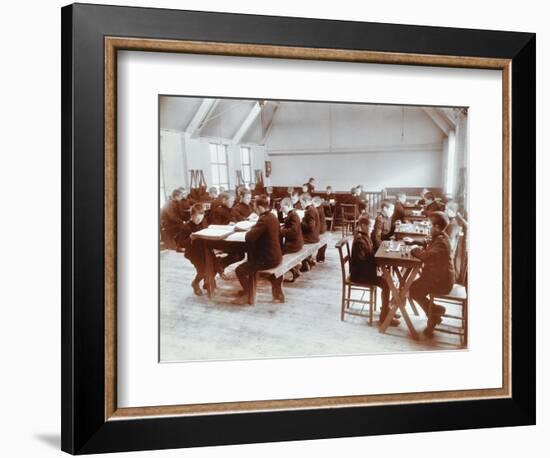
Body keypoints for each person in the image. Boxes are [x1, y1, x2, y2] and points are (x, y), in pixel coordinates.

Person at [408, 211, 455, 337]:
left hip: (441, 282)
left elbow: (427, 256)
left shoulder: (441, 242)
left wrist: (414, 250)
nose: (428, 228)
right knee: (413, 287)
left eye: (429, 225)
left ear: (437, 227)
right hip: (438, 277)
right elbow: (428, 243)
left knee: (412, 289)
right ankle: (434, 311)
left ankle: (433, 313)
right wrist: (414, 242)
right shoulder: (441, 237)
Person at [235, 195, 284, 303]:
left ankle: (249, 292)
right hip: (277, 256)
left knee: (239, 270)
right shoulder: (273, 216)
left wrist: (251, 229)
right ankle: (276, 291)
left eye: (256, 208)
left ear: (261, 208)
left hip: (268, 260)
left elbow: (249, 237)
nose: (255, 210)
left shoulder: (263, 220)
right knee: (249, 262)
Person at [350, 215, 398, 326]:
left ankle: (386, 309)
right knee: (386, 283)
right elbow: (362, 264)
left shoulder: (365, 236)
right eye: (370, 226)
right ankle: (385, 316)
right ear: (363, 225)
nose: (372, 228)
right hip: (360, 275)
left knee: (388, 279)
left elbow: (369, 254)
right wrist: (378, 264)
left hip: (365, 272)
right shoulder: (359, 241)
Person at [175, 203, 213, 296]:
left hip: (204, 250)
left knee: (213, 266)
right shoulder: (186, 227)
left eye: (201, 218)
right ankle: (195, 283)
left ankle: (206, 282)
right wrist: (190, 238)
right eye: (197, 218)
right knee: (202, 271)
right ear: (191, 216)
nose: (199, 221)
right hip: (193, 253)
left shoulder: (203, 221)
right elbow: (180, 244)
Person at [279, 197, 304, 282]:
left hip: (294, 244)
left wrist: (281, 231)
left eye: (283, 208)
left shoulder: (293, 215)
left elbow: (293, 231)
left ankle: (279, 274)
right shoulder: (292, 214)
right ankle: (295, 269)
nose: (282, 210)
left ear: (288, 205)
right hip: (296, 242)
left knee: (278, 252)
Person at [300, 193, 320, 271]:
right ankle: (308, 260)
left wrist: (300, 221)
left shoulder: (310, 211)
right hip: (315, 235)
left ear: (305, 201)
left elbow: (310, 227)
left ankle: (304, 263)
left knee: (296, 241)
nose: (301, 205)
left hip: (311, 237)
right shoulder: (313, 208)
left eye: (301, 203)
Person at [312, 196, 327, 262]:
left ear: (316, 203)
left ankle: (319, 257)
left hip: (320, 228)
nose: (312, 205)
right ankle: (321, 257)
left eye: (313, 203)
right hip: (323, 228)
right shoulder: (321, 208)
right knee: (323, 243)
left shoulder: (317, 210)